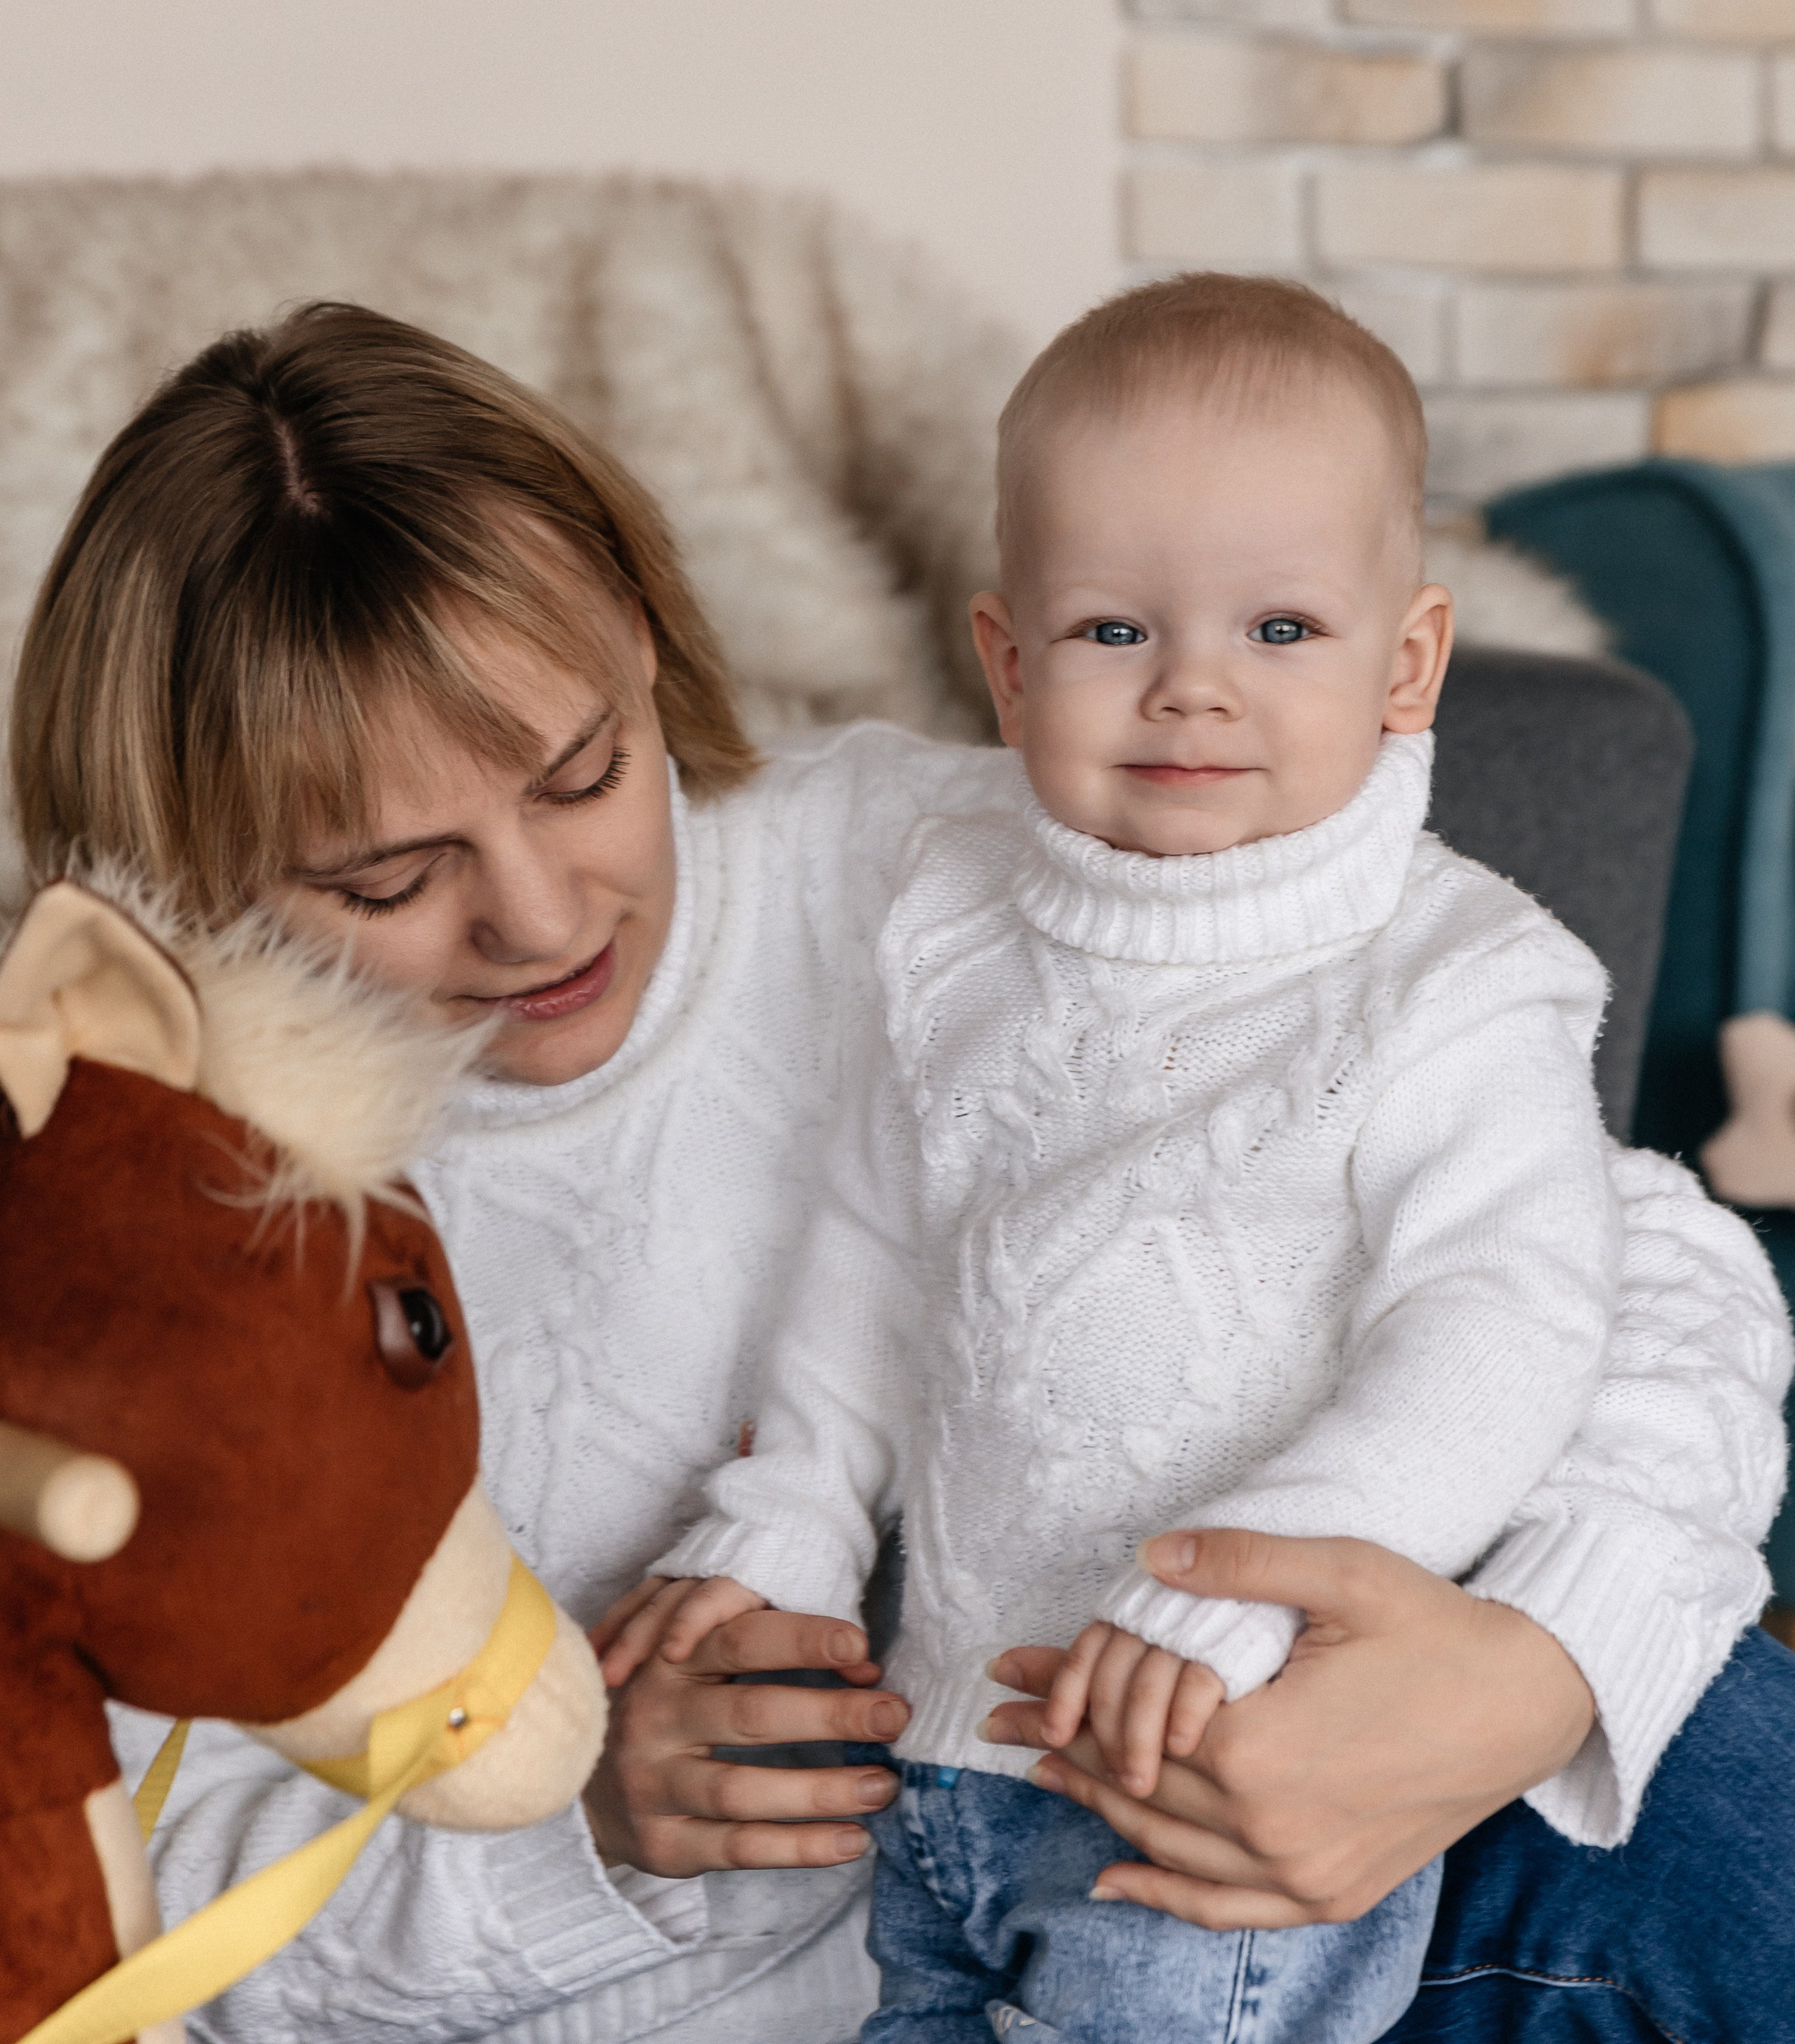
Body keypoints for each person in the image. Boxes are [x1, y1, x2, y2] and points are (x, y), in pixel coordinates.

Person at [6, 298, 1790, 2044]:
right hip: (824, 1979)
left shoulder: (955, 865)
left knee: (1701, 1774)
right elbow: (110, 1897)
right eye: (384, 879)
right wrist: (588, 1836)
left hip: (1294, 1840)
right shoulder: (148, 1217)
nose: (540, 918)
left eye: (584, 773)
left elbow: (1639, 1256)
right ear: (194, 863)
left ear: (637, 639)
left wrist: (1534, 1674)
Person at [604, 278, 1623, 2044]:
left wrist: (1250, 1587)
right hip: (947, 1759)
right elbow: (868, 1253)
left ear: (1408, 661)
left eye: (1282, 631)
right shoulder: (950, 932)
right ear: (1005, 661)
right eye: (1109, 633)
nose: (1192, 692)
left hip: (1219, 1782)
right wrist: (788, 1511)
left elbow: (1505, 1326)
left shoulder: (1458, 979)